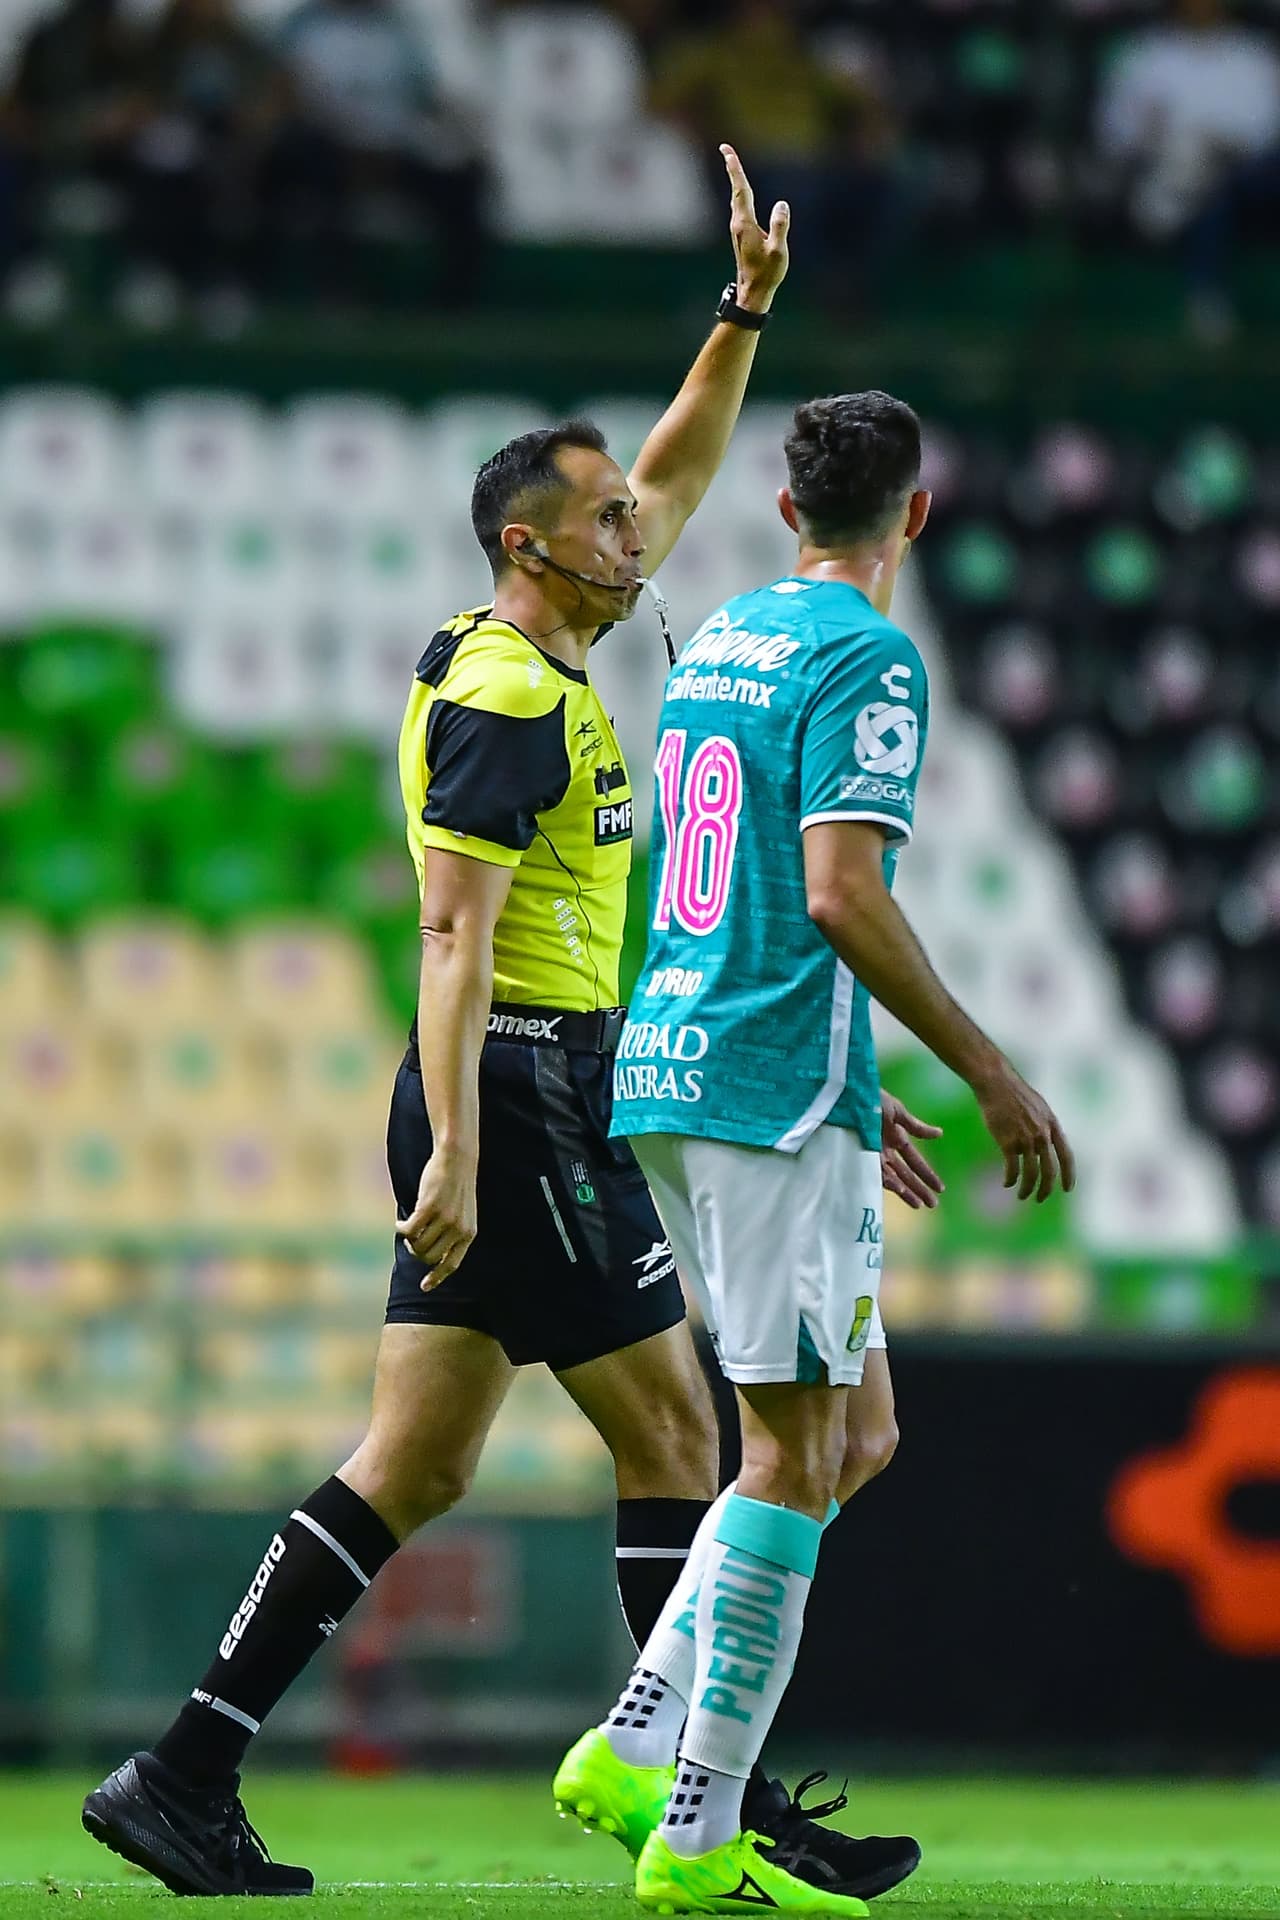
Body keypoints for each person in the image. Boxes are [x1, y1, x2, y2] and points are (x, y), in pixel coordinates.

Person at [81, 148, 915, 1904]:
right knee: (690, 1439)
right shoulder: (504, 694)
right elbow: (449, 930)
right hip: (524, 1088)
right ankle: (705, 1797)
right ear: (533, 548)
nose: (647, 529)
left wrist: (742, 309)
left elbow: (683, 463)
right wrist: (461, 1145)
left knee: (420, 1459)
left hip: (531, 1084)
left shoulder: (544, 649)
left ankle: (182, 1770)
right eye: (611, 520)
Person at [553, 389, 1076, 1915]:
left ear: (789, 515)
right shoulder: (873, 653)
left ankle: (633, 1738)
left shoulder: (724, 636)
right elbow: (840, 893)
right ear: (918, 516)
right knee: (786, 1451)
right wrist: (987, 1069)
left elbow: (750, 890)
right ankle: (698, 1830)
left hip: (703, 1063)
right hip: (763, 1084)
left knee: (856, 1439)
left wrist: (857, 1082)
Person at [651, 0, 903, 310]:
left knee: (882, 188)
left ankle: (858, 282)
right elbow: (662, 102)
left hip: (816, 166)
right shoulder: (713, 53)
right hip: (753, 169)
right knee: (793, 196)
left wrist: (867, 130)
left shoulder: (802, 56)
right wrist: (709, 138)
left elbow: (858, 104)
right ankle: (818, 291)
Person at [268, 0, 486, 308]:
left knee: (463, 180)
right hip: (327, 150)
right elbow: (281, 95)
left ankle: (453, 301)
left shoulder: (401, 30)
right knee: (316, 169)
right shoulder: (303, 26)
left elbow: (426, 97)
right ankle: (335, 292)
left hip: (394, 150)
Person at [1096, 0, 1280, 340]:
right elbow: (1115, 129)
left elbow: (1267, 127)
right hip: (1168, 165)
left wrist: (1216, 144)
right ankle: (1206, 297)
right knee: (1206, 186)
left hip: (1247, 173)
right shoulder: (1144, 54)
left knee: (1212, 175)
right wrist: (1153, 134)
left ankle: (1175, 206)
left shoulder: (1253, 55)